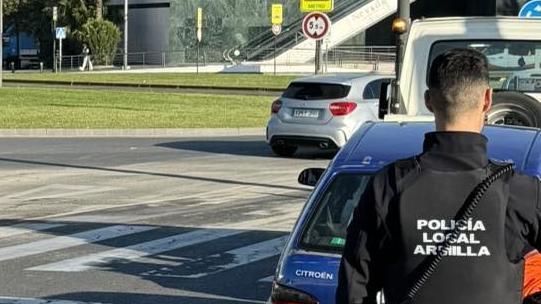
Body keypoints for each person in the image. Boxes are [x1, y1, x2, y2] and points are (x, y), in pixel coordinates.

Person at [336, 48, 541, 304]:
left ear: (428, 101)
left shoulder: (388, 186)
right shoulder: (522, 191)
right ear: (487, 99)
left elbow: (355, 289)